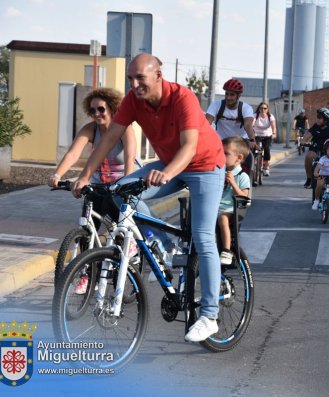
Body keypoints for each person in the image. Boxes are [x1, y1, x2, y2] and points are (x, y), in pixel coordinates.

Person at [71, 53, 226, 343]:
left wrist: (166, 173)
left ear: (158, 75)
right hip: (168, 164)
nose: (134, 83)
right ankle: (162, 245)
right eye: (130, 78)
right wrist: (85, 174)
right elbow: (107, 139)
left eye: (140, 77)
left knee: (204, 237)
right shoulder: (133, 100)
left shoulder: (183, 98)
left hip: (205, 166)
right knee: (119, 192)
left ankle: (209, 315)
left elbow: (190, 148)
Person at [48, 88, 139, 189]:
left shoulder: (124, 128)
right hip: (99, 182)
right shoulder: (89, 129)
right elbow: (73, 154)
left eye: (101, 109)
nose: (96, 113)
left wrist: (127, 183)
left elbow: (129, 157)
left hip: (126, 178)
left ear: (111, 108)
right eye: (92, 110)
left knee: (124, 203)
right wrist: (57, 175)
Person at [205, 79, 257, 178]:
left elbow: (248, 125)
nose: (228, 97)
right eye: (227, 94)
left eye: (232, 95)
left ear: (238, 96)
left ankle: (245, 184)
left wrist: (252, 140)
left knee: (248, 159)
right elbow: (206, 123)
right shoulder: (216, 105)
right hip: (221, 140)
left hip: (240, 141)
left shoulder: (246, 108)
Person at [218, 137, 251, 265]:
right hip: (216, 206)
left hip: (231, 209)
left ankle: (226, 250)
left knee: (222, 218)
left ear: (239, 158)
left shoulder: (242, 176)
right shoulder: (218, 172)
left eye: (225, 154)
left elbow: (244, 198)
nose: (221, 156)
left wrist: (232, 183)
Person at [302, 107, 329, 189]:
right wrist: (303, 141)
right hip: (315, 148)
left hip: (327, 149)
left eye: (320, 117)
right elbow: (307, 134)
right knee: (309, 156)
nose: (317, 119)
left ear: (326, 120)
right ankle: (309, 178)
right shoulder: (315, 126)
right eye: (317, 117)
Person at [252, 102, 277, 177]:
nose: (263, 110)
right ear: (259, 109)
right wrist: (251, 129)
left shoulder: (270, 116)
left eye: (265, 108)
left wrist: (274, 133)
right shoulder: (255, 115)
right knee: (254, 149)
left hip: (267, 135)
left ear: (267, 109)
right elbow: (252, 124)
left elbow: (273, 126)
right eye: (261, 108)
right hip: (257, 135)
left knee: (266, 149)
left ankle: (266, 168)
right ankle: (254, 164)